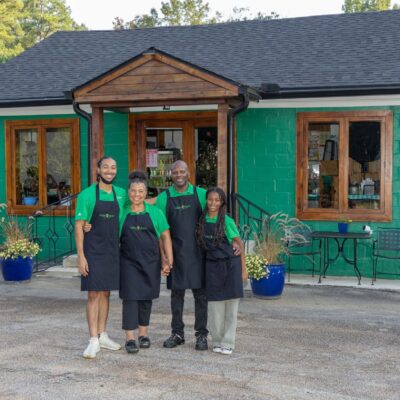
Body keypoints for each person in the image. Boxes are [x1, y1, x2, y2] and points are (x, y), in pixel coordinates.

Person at [75, 156, 127, 359]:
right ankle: (93, 340)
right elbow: (80, 227)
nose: (110, 171)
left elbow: (140, 202)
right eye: (105, 167)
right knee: (93, 294)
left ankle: (103, 335)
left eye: (113, 167)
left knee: (106, 293)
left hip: (113, 251)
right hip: (93, 251)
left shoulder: (121, 194)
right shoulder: (87, 195)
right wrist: (81, 257)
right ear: (98, 169)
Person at [119, 171, 173, 354]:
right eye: (133, 191)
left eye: (140, 191)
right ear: (128, 192)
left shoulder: (156, 213)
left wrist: (168, 260)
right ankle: (130, 337)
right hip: (127, 261)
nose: (137, 195)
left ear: (146, 193)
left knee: (145, 299)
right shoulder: (122, 211)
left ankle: (143, 334)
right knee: (130, 298)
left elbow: (165, 236)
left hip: (151, 262)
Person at [196, 187, 247, 355]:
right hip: (212, 267)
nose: (213, 203)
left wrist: (243, 270)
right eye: (210, 199)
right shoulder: (201, 221)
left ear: (222, 203)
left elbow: (239, 245)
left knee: (231, 310)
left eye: (217, 200)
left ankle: (228, 342)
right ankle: (217, 341)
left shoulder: (227, 221)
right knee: (215, 309)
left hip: (230, 266)